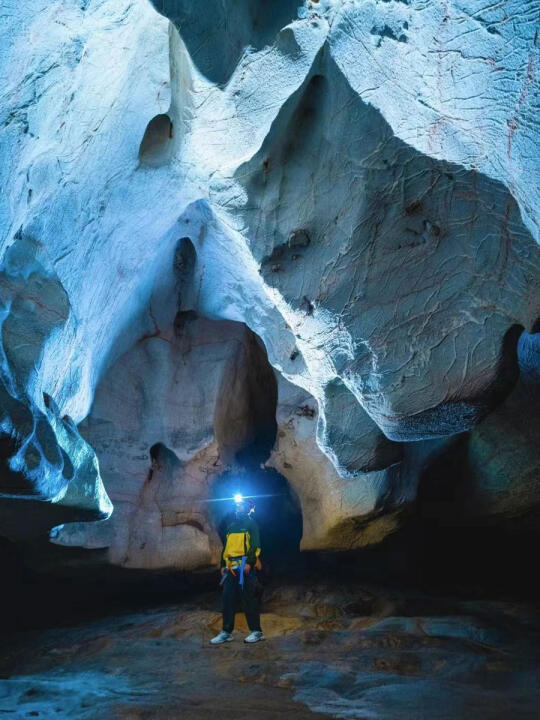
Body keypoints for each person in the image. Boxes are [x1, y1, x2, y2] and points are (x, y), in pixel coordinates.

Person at [210, 495, 265, 644]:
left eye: (240, 505)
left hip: (245, 565)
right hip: (231, 568)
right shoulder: (231, 526)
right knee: (227, 598)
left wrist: (250, 563)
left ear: (248, 508)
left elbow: (255, 546)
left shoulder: (251, 524)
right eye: (237, 505)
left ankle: (257, 631)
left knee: (248, 598)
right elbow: (226, 547)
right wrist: (223, 564)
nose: (237, 507)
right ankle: (226, 632)